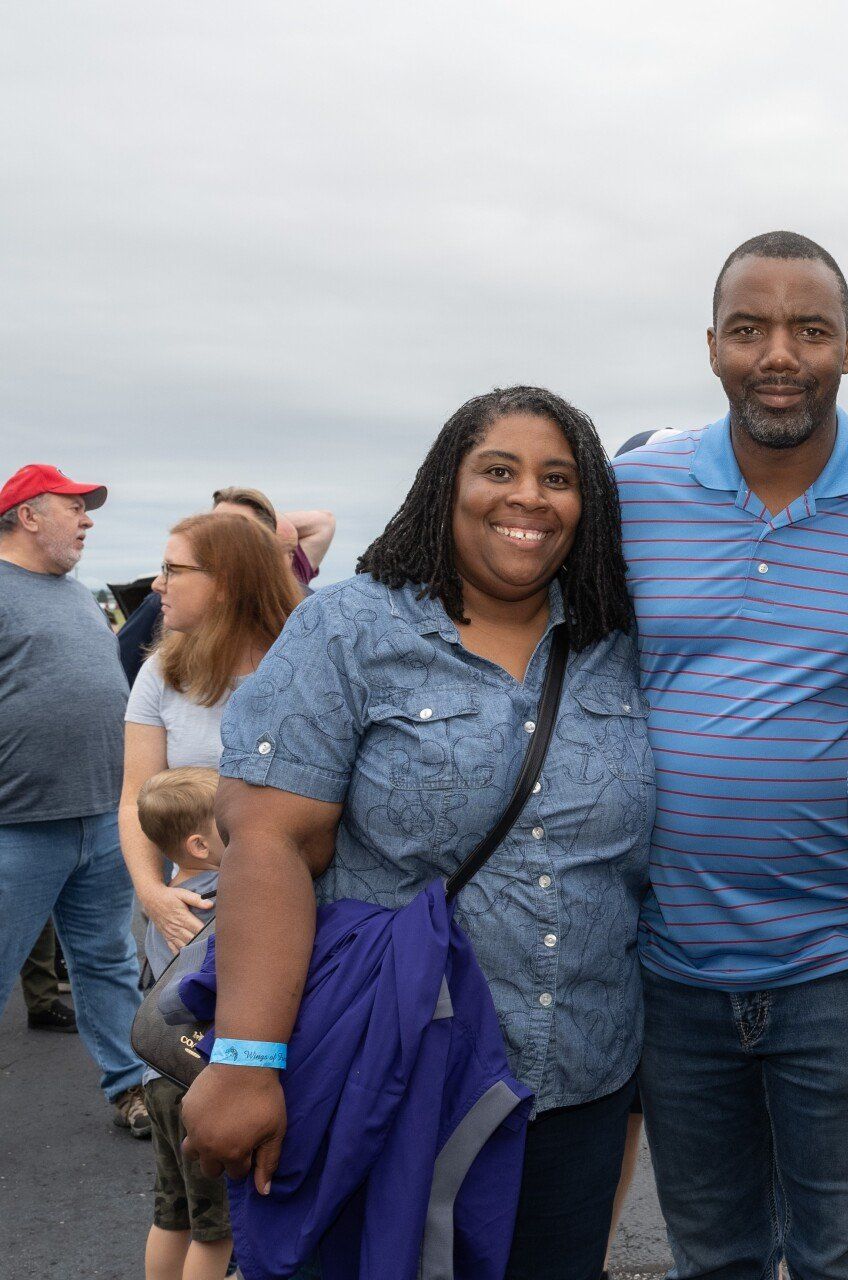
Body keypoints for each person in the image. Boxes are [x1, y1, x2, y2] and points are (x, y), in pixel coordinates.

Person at [179, 387, 654, 1280]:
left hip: (580, 1081)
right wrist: (245, 1060)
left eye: (558, 478)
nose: (529, 499)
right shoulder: (352, 627)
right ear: (448, 485)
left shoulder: (616, 643)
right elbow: (268, 842)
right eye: (499, 471)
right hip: (395, 1071)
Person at [614, 231, 848, 1279]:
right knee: (712, 1254)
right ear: (713, 347)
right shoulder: (631, 493)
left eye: (810, 329)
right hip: (667, 960)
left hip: (847, 964)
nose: (781, 352)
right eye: (750, 328)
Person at [0, 463, 150, 1138]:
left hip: (99, 816)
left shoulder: (74, 594)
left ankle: (131, 1088)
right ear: (29, 514)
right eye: (74, 507)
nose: (87, 519)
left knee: (109, 961)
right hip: (18, 826)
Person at [121, 512, 302, 954]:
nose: (157, 584)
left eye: (172, 570)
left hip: (302, 908)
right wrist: (152, 895)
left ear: (226, 583)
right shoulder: (162, 672)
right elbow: (133, 799)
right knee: (184, 1026)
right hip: (194, 912)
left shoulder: (305, 674)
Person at [134, 767, 230, 1280]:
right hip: (200, 1075)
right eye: (229, 819)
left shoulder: (167, 899)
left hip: (158, 1075)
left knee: (172, 1213)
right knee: (217, 1229)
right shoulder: (219, 894)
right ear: (198, 843)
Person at [116, 487, 333, 684]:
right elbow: (120, 668)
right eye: (214, 525)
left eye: (235, 530)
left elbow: (324, 522)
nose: (216, 535)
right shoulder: (163, 603)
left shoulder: (303, 609)